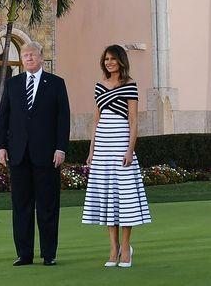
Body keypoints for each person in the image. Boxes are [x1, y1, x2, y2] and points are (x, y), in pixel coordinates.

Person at [0, 40, 70, 266]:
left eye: (32, 55)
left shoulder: (56, 84)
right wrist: (1, 146)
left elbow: (63, 119)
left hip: (47, 155)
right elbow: (3, 117)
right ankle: (24, 254)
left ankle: (49, 254)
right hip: (18, 155)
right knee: (21, 206)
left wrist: (61, 148)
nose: (28, 58)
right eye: (25, 55)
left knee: (47, 206)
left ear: (41, 57)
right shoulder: (13, 84)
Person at [81, 45, 150, 267]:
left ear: (121, 61)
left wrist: (130, 149)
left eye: (113, 58)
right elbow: (96, 120)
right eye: (106, 59)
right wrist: (92, 150)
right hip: (103, 147)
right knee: (107, 197)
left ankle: (127, 247)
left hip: (121, 144)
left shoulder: (130, 85)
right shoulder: (99, 86)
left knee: (125, 198)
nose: (109, 62)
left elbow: (133, 120)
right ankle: (113, 249)